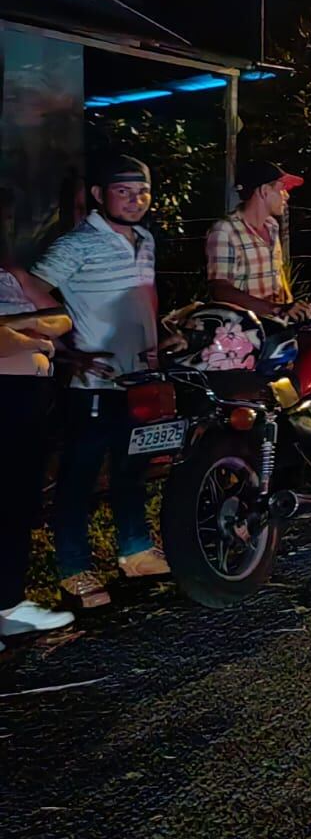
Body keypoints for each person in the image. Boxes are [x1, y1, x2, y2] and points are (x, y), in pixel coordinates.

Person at [22, 155, 169, 608]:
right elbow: (28, 285)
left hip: (140, 379)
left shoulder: (144, 240)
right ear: (99, 195)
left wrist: (159, 335)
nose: (135, 200)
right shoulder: (78, 244)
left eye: (141, 191)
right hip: (93, 385)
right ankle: (73, 569)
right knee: (80, 477)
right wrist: (69, 349)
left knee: (132, 468)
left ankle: (135, 552)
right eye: (123, 191)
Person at [0, 246, 76, 647]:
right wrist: (34, 336)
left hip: (29, 396)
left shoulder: (11, 272)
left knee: (18, 500)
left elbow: (62, 318)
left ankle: (8, 606)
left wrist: (23, 326)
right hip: (6, 392)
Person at [205, 160, 311, 322]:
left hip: (277, 325)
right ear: (264, 191)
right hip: (247, 334)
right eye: (281, 188)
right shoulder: (225, 231)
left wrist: (288, 309)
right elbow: (220, 289)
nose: (286, 195)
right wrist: (275, 309)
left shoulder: (272, 226)